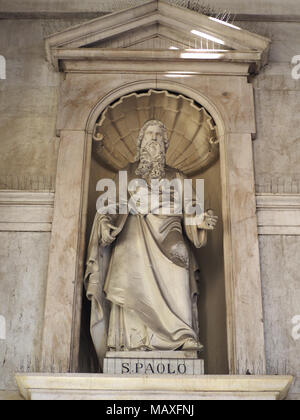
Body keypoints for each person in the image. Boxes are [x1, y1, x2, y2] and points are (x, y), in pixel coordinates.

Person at [84, 120, 218, 364]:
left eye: (159, 135)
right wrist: (105, 221)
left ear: (165, 144)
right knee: (130, 274)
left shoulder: (178, 177)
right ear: (141, 142)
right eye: (149, 135)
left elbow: (191, 209)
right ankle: (131, 341)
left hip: (170, 234)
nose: (154, 139)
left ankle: (181, 336)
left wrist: (200, 220)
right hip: (133, 236)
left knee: (179, 270)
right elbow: (111, 205)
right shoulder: (125, 174)